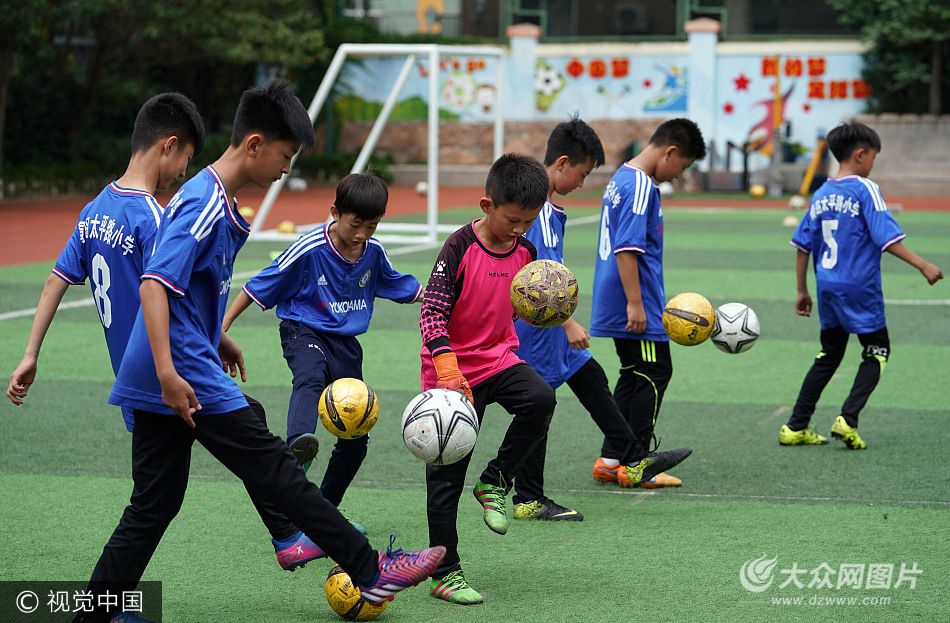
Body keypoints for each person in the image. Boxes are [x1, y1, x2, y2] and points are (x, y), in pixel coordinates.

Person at [75, 83, 443, 623]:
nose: (286, 168)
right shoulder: (202, 201)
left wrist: (211, 331)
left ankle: (94, 612)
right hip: (180, 372)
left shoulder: (211, 199)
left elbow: (183, 284)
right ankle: (369, 569)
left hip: (173, 364)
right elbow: (154, 285)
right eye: (285, 156)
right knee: (275, 466)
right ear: (253, 144)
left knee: (155, 504)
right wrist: (168, 371)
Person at [4, 92, 325, 578]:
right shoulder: (155, 216)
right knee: (243, 446)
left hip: (132, 376)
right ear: (169, 147)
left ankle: (115, 604)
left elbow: (55, 281)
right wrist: (187, 352)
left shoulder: (94, 210)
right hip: (163, 372)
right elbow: (170, 290)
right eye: (186, 161)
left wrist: (30, 355)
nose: (182, 174)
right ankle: (289, 534)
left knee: (156, 503)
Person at [511, 118, 693, 524]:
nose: (583, 182)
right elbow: (536, 280)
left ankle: (632, 457)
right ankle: (527, 497)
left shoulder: (548, 206)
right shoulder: (535, 211)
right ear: (562, 163)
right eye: (583, 172)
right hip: (539, 325)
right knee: (538, 405)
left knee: (591, 376)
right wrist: (568, 323)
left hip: (551, 323)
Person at [222, 172, 423, 524]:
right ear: (335, 212)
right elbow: (260, 285)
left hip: (346, 344)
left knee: (356, 434)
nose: (361, 235)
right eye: (355, 224)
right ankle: (298, 447)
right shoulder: (309, 247)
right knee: (310, 377)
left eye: (371, 227)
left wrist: (440, 297)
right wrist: (219, 331)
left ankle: (322, 514)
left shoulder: (373, 252)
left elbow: (399, 284)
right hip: (303, 330)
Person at [420, 153, 555, 605]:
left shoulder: (527, 252)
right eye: (512, 220)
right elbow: (432, 311)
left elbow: (518, 304)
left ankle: (496, 480)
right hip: (452, 371)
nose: (519, 230)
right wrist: (447, 369)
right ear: (486, 204)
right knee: (445, 480)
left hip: (497, 360)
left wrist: (549, 309)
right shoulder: (458, 247)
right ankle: (446, 572)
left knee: (541, 399)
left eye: (528, 222)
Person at [780, 121, 943, 449]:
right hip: (859, 286)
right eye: (873, 158)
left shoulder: (822, 193)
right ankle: (848, 418)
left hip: (826, 285)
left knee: (829, 353)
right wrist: (923, 264)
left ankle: (795, 425)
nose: (872, 165)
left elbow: (802, 247)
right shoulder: (865, 188)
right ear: (860, 154)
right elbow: (887, 238)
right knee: (878, 350)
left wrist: (802, 290)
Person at [589, 118, 706, 488]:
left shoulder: (621, 178)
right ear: (670, 152)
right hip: (633, 299)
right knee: (655, 372)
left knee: (633, 372)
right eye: (682, 166)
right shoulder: (641, 184)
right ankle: (636, 462)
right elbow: (627, 248)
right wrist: (637, 303)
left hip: (615, 297)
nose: (677, 176)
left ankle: (611, 458)